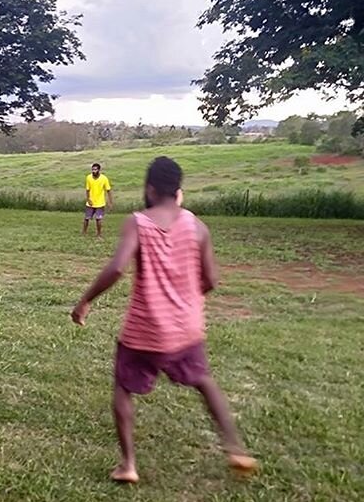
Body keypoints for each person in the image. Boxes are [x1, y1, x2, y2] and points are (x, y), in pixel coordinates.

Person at [71, 156, 256, 483]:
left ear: (150, 189)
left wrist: (84, 301)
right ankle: (235, 447)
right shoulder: (198, 226)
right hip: (187, 329)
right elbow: (211, 280)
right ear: (179, 191)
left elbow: (116, 268)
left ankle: (128, 464)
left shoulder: (138, 222)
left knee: (123, 387)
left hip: (145, 329)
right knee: (204, 381)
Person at [83, 163, 113, 239]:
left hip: (100, 202)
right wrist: (88, 199)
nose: (94, 171)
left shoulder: (104, 178)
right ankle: (84, 232)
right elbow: (87, 190)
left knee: (98, 219)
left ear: (99, 170)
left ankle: (99, 234)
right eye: (93, 169)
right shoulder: (88, 178)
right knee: (87, 218)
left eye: (95, 169)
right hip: (90, 202)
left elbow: (108, 190)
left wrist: (110, 202)